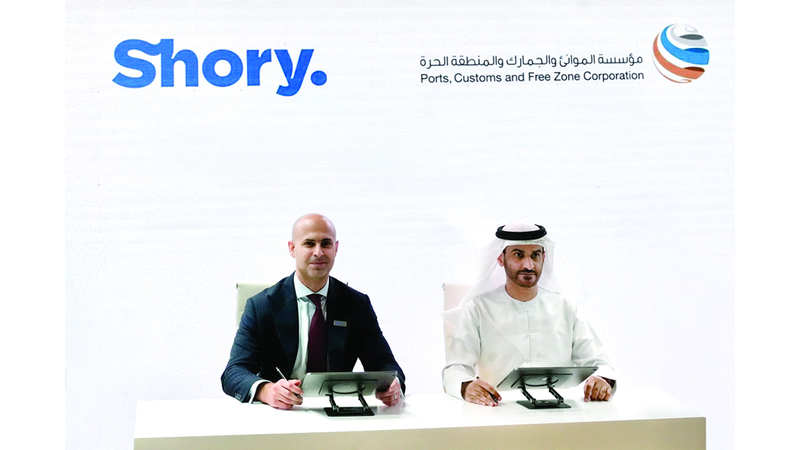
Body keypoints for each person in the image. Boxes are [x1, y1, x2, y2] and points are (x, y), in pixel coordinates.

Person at [222, 213, 405, 409]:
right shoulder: (261, 306)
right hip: (281, 412)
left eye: (326, 244)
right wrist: (266, 390)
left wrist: (394, 385)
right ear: (292, 248)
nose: (318, 252)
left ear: (336, 248)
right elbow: (234, 372)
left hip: (337, 410)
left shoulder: (356, 305)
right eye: (309, 244)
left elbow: (386, 365)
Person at [442, 221, 615, 406]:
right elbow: (455, 369)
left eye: (535, 255)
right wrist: (466, 387)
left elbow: (599, 363)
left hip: (560, 412)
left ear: (543, 258)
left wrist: (601, 380)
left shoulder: (565, 307)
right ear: (500, 258)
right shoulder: (478, 308)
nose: (529, 265)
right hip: (499, 410)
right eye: (518, 255)